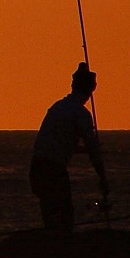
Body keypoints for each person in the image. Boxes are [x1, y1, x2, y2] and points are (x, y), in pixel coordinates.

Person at [29, 63, 106, 236]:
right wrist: (102, 178)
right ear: (91, 88)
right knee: (64, 217)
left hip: (36, 167)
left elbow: (56, 142)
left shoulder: (58, 107)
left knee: (50, 214)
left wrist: (82, 150)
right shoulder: (81, 114)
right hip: (53, 170)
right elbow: (93, 151)